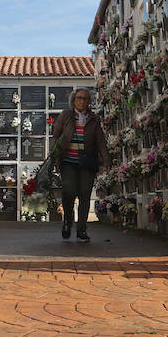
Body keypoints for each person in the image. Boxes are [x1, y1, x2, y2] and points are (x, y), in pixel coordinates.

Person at [50, 87, 109, 242]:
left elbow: (100, 141)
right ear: (73, 100)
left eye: (85, 98)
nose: (82, 101)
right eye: (79, 98)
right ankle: (67, 222)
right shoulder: (66, 116)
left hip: (87, 162)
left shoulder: (93, 119)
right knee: (69, 192)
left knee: (84, 194)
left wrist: (106, 160)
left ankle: (82, 229)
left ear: (89, 102)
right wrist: (53, 156)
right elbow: (55, 136)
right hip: (68, 161)